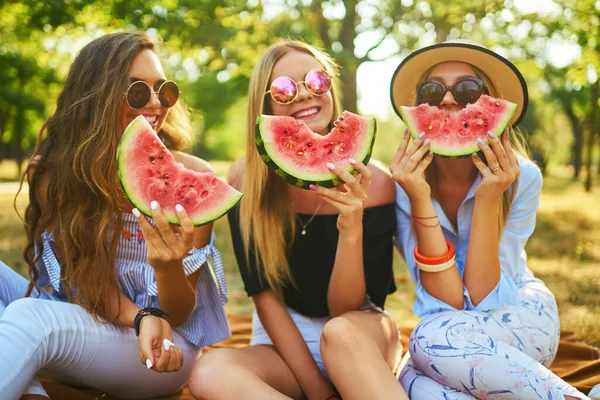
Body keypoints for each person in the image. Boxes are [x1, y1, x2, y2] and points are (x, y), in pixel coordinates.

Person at [0, 31, 229, 400]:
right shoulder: (55, 175)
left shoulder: (193, 180)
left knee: (28, 317)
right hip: (83, 320)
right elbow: (83, 282)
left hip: (163, 348)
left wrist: (169, 268)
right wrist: (137, 314)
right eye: (137, 91)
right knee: (26, 312)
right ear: (95, 99)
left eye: (164, 90)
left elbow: (179, 313)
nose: (156, 103)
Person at [189, 39, 407, 400]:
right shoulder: (247, 181)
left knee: (338, 332)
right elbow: (265, 297)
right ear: (266, 105)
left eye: (316, 81)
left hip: (361, 332)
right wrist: (318, 392)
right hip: (283, 340)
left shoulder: (377, 182)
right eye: (285, 89)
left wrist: (350, 225)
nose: (305, 94)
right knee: (209, 372)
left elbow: (346, 310)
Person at [389, 40, 589, 399]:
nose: (448, 101)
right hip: (447, 329)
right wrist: (419, 196)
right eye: (433, 91)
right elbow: (446, 300)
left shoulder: (523, 177)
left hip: (520, 317)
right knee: (414, 386)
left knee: (425, 341)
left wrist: (488, 198)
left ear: (489, 104)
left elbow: (484, 297)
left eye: (468, 90)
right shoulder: (404, 185)